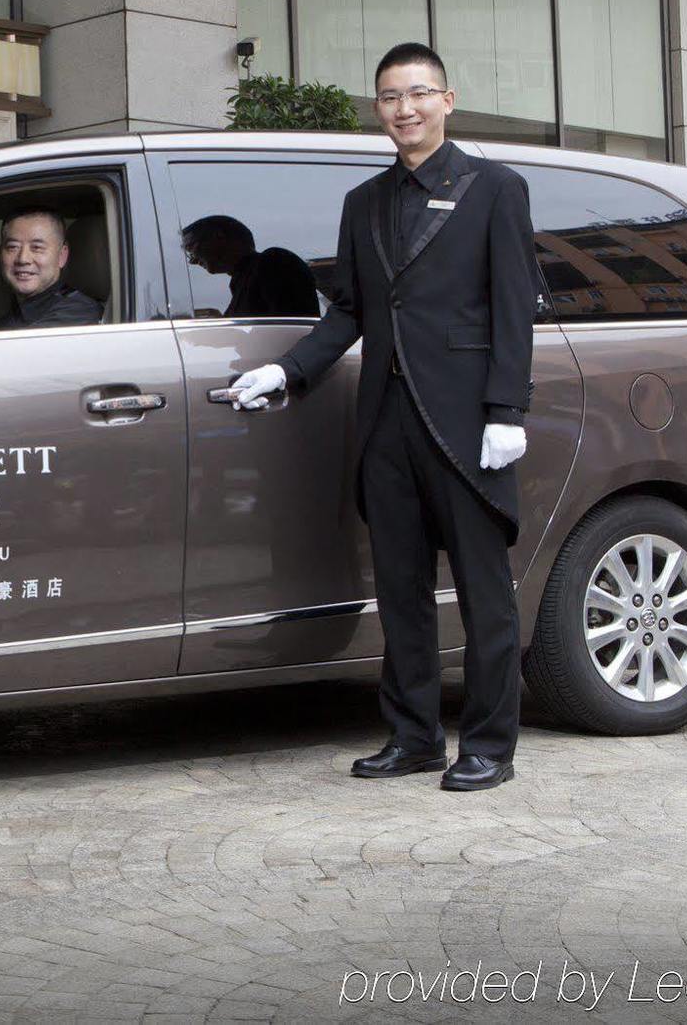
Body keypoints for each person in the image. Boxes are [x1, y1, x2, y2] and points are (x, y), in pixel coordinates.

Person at [227, 42, 537, 793]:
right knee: (400, 591)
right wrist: (288, 368)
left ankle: (491, 744)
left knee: (484, 592)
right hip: (386, 422)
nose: (406, 108)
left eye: (419, 92)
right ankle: (414, 735)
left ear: (448, 99)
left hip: (466, 423)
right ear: (379, 108)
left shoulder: (495, 188)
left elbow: (513, 306)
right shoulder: (363, 203)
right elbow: (355, 312)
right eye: (392, 96)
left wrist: (506, 409)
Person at [182, 214, 321, 319]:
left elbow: (286, 331)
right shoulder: (244, 280)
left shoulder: (273, 262)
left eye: (191, 248)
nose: (192, 261)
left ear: (218, 237)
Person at [0, 207, 102, 329]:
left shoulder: (78, 314)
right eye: (13, 247)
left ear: (62, 255)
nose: (23, 259)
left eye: (37, 248)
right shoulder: (11, 315)